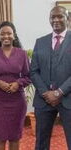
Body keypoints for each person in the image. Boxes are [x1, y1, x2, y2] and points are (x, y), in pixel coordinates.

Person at [0, 21, 31, 150]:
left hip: (17, 101)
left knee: (15, 137)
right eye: (2, 34)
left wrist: (18, 83)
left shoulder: (22, 54)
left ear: (14, 35)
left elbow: (28, 76)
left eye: (9, 33)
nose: (6, 36)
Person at [30, 6, 71, 149]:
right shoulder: (40, 42)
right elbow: (33, 71)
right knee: (41, 142)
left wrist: (59, 92)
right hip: (44, 100)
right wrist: (46, 93)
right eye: (52, 17)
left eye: (60, 16)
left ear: (68, 19)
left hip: (68, 100)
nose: (56, 20)